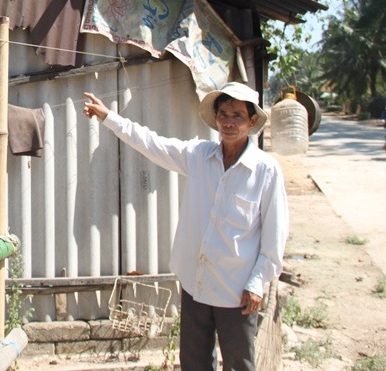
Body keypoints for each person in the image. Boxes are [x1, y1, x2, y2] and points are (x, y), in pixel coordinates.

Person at [83, 82, 288, 371]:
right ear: (216, 118)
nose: (229, 122)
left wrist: (257, 283)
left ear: (252, 121)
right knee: (194, 362)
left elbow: (274, 236)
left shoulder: (266, 171)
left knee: (239, 363)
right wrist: (109, 117)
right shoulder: (199, 156)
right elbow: (152, 143)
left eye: (237, 116)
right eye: (224, 114)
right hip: (196, 283)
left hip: (237, 290)